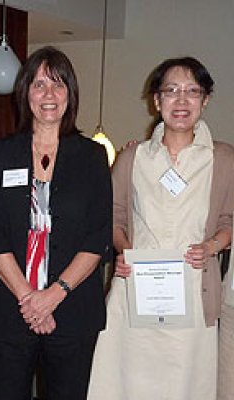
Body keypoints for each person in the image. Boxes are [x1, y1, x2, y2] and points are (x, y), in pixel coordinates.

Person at [87, 57, 234, 400]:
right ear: (157, 101)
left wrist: (211, 246)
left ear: (205, 100)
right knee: (126, 385)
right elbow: (114, 216)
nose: (181, 101)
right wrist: (124, 250)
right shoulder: (132, 157)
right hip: (135, 293)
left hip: (194, 295)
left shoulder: (223, 159)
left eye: (192, 91)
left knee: (186, 388)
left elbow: (229, 219)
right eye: (171, 91)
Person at [0, 46, 112, 400]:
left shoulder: (93, 157)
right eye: (39, 85)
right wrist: (30, 300)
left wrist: (53, 296)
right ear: (25, 94)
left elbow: (97, 236)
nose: (48, 95)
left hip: (73, 311)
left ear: (71, 93)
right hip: (11, 310)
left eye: (58, 84)